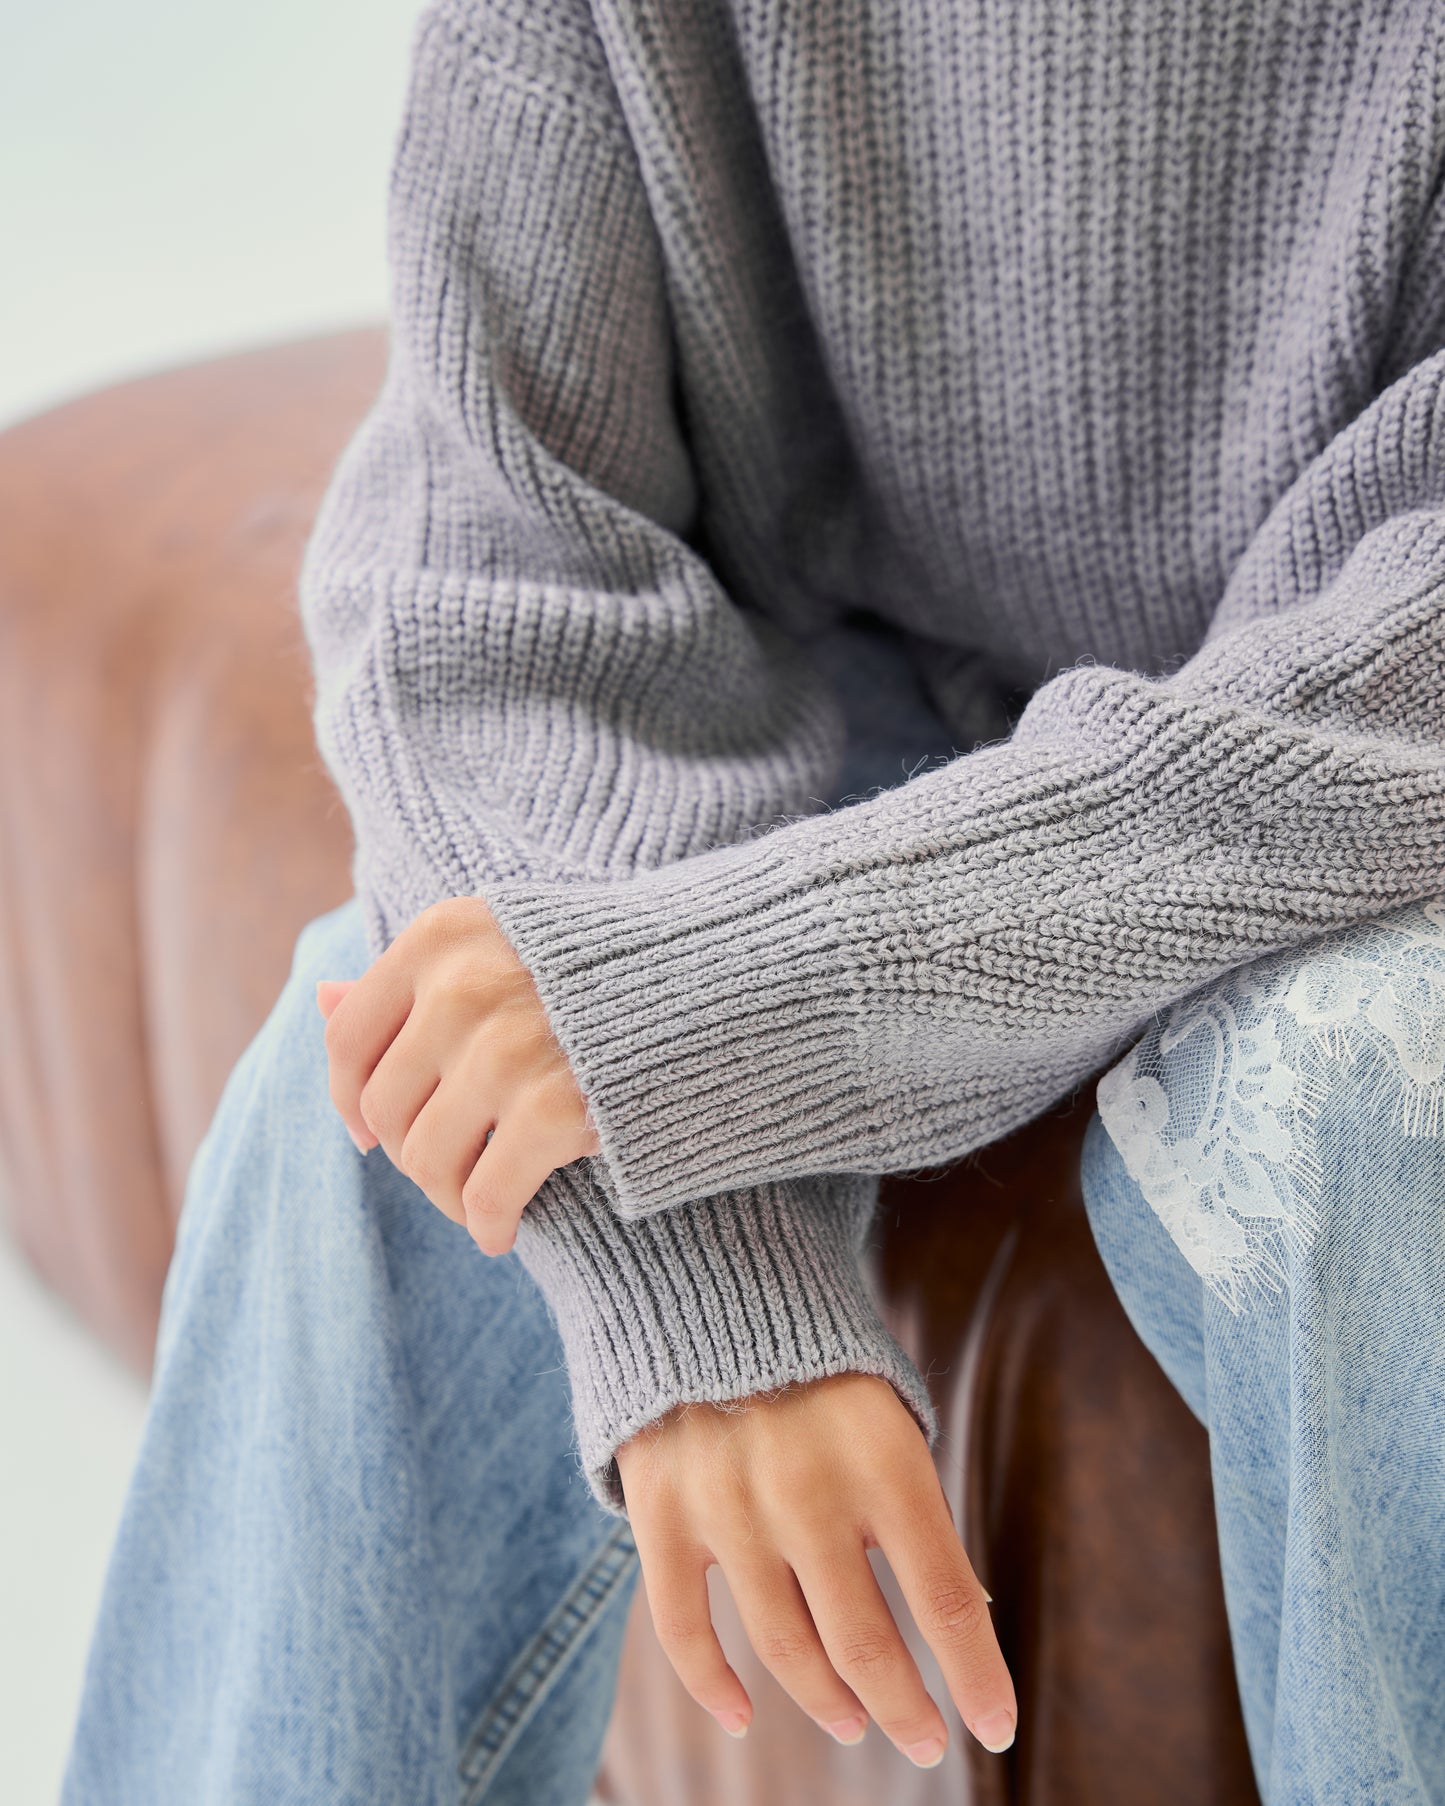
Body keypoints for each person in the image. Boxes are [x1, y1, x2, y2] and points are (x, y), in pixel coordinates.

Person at [63, 0, 1445, 1800]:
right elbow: (483, 567)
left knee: (1342, 1102)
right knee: (384, 1094)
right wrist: (688, 1264)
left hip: (1371, 776)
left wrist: (709, 1010)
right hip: (867, 685)